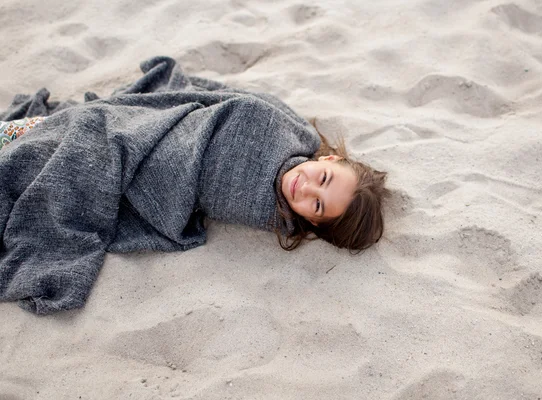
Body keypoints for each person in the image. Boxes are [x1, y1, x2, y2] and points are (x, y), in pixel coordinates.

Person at [0, 56, 389, 314]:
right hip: (156, 126)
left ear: (313, 223)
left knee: (70, 152)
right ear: (329, 160)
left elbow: (190, 189)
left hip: (154, 169)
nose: (305, 190)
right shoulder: (292, 130)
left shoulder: (273, 214)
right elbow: (230, 101)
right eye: (323, 179)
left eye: (317, 206)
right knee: (79, 131)